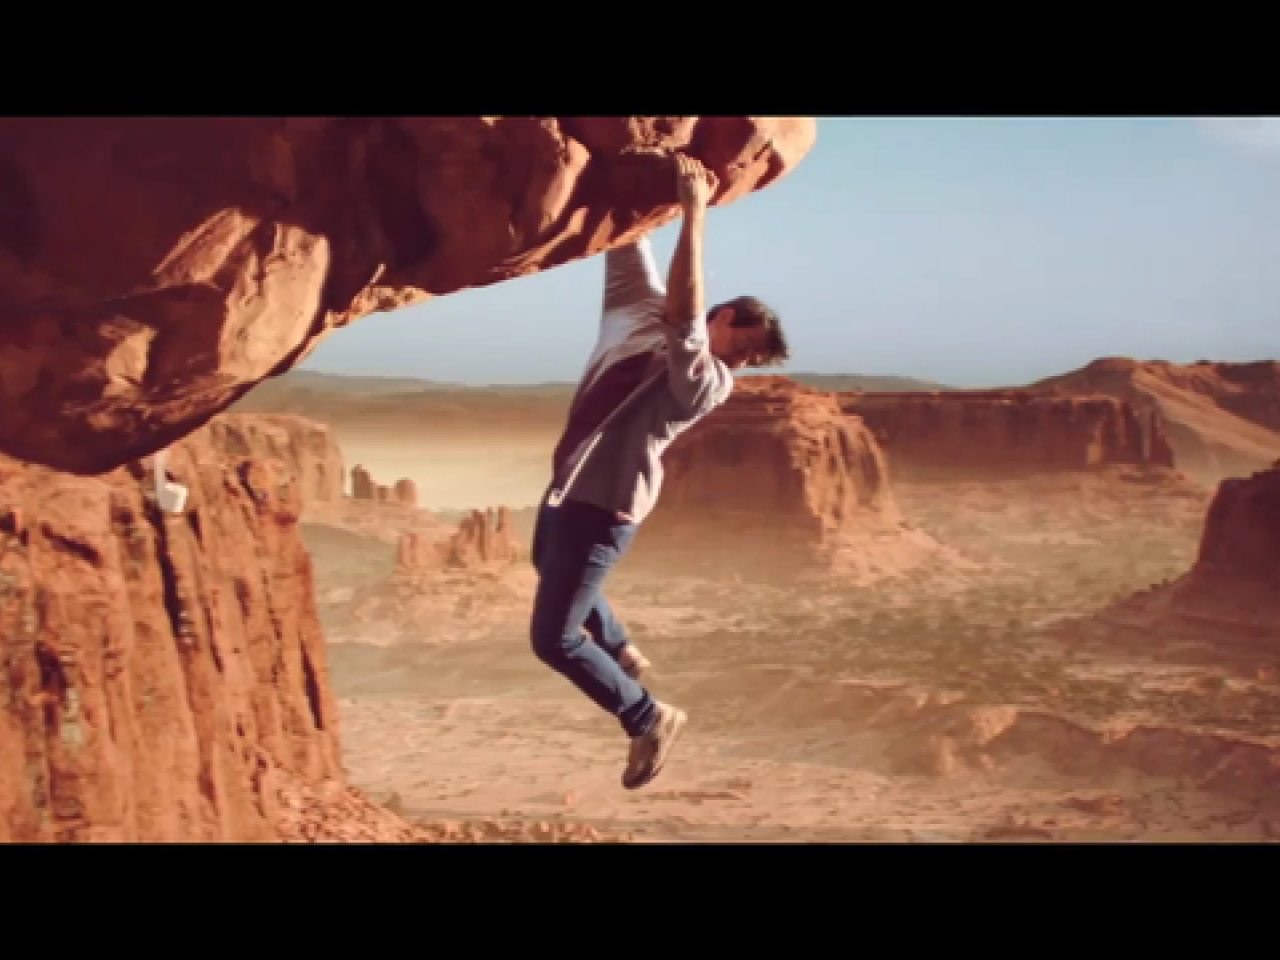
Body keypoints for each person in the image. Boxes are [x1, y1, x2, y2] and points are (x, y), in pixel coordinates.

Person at [529, 153, 790, 790]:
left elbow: (684, 321)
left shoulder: (706, 380)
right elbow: (626, 238)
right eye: (749, 347)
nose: (747, 363)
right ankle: (618, 645)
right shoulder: (636, 310)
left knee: (554, 640)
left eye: (754, 358)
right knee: (544, 563)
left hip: (605, 510)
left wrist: (696, 211)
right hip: (569, 488)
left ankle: (646, 716)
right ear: (728, 317)